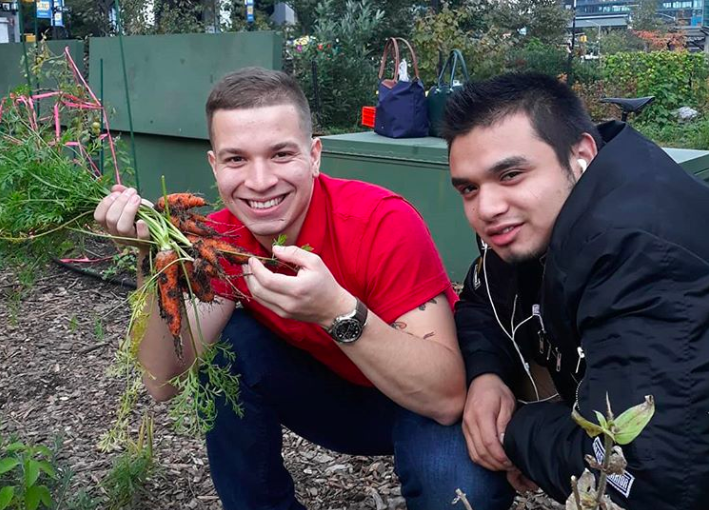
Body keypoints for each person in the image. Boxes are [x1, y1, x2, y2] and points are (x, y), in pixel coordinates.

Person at [94, 67, 513, 510]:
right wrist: (151, 260)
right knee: (228, 348)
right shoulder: (220, 240)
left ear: (314, 156)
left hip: (418, 403)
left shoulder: (381, 223)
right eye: (237, 159)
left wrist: (335, 311)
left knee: (465, 491)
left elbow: (446, 398)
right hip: (328, 401)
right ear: (215, 166)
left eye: (280, 154)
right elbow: (163, 381)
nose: (259, 182)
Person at [442, 71, 709, 510]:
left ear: (581, 153)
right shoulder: (546, 219)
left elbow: (643, 481)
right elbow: (480, 300)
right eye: (469, 188)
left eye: (510, 174)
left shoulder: (638, 255)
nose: (486, 209)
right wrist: (487, 375)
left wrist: (516, 431)